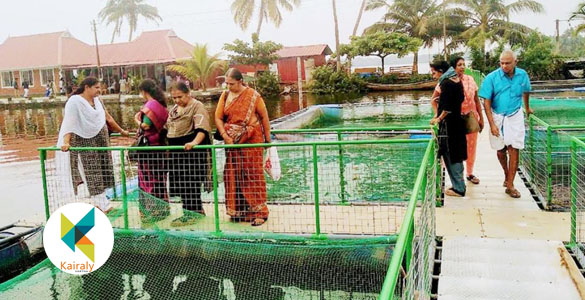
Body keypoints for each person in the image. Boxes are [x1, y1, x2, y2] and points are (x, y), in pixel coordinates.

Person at [57, 77, 129, 212]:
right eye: (96, 87)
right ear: (86, 87)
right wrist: (66, 142)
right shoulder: (75, 102)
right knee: (92, 171)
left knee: (104, 168)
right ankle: (103, 205)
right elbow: (69, 122)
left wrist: (121, 131)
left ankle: (102, 202)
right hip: (84, 141)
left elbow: (108, 117)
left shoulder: (98, 100)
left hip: (100, 140)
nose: (99, 90)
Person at [215, 68, 271, 226]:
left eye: (231, 83)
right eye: (226, 83)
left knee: (252, 174)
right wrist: (225, 136)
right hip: (232, 142)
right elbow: (218, 118)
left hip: (251, 140)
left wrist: (268, 140)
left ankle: (259, 212)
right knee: (234, 174)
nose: (228, 86)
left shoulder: (253, 96)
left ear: (240, 81)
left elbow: (264, 117)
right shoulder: (225, 95)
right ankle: (239, 210)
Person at [479, 50, 533, 198]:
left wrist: (527, 108)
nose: (504, 66)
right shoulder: (492, 78)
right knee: (500, 149)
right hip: (497, 115)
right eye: (501, 63)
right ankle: (506, 174)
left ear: (515, 62)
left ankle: (510, 185)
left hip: (515, 114)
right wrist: (492, 124)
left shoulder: (522, 75)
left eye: (507, 63)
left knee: (514, 148)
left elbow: (526, 91)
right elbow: (486, 101)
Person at [166, 81, 213, 226]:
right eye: (174, 98)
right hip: (177, 152)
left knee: (191, 183)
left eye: (180, 97)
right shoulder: (175, 109)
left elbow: (202, 129)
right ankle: (187, 212)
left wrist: (194, 143)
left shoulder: (197, 106)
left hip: (191, 153)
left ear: (188, 93)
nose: (177, 100)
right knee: (181, 184)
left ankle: (194, 212)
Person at [431, 57, 484, 184]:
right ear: (453, 67)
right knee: (454, 148)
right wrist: (436, 116)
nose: (462, 67)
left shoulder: (470, 80)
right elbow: (434, 100)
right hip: (454, 120)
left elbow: (476, 100)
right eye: (459, 64)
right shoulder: (447, 81)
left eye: (464, 64)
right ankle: (451, 176)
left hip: (470, 116)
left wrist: (481, 118)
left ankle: (469, 173)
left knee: (471, 146)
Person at [430, 61, 467, 197]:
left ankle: (459, 188)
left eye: (433, 72)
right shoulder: (457, 81)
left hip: (449, 126)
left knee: (451, 155)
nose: (432, 75)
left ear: (440, 71)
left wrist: (438, 119)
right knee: (457, 155)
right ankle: (459, 185)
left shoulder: (446, 83)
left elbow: (446, 108)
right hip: (458, 123)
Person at [134, 79, 169, 222]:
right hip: (159, 145)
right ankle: (163, 208)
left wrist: (136, 120)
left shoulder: (150, 105)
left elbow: (146, 126)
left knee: (147, 178)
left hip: (148, 147)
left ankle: (151, 211)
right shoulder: (160, 104)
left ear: (143, 91)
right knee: (159, 177)